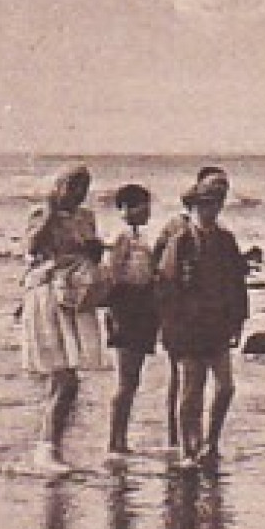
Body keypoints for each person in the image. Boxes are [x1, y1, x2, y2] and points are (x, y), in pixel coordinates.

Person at [21, 165, 108, 469]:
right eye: (74, 186)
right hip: (48, 294)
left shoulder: (86, 217)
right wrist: (48, 215)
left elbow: (91, 253)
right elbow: (30, 249)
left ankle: (50, 446)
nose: (79, 193)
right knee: (64, 377)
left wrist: (94, 251)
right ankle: (47, 449)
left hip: (77, 293)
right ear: (60, 187)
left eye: (84, 187)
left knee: (67, 377)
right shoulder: (41, 212)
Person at [156, 179, 248, 468]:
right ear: (193, 206)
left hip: (218, 325)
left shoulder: (226, 240)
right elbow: (166, 286)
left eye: (217, 203)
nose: (212, 209)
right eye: (206, 204)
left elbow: (238, 282)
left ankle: (211, 442)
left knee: (225, 387)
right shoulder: (180, 239)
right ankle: (187, 449)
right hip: (187, 327)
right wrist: (168, 327)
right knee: (191, 390)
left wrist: (239, 320)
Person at [103, 184, 160, 458]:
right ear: (124, 209)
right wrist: (117, 310)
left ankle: (120, 438)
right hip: (127, 306)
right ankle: (115, 441)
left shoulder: (139, 237)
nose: (146, 211)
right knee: (126, 380)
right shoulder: (122, 237)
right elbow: (112, 275)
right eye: (140, 206)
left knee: (132, 380)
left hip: (141, 306)